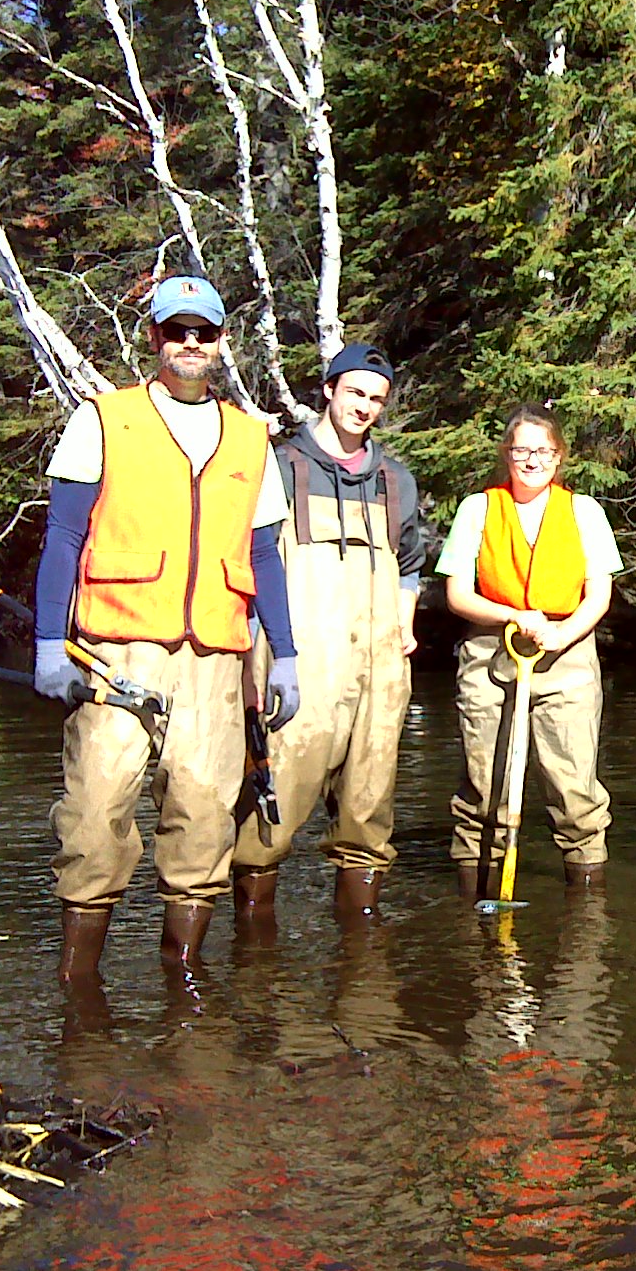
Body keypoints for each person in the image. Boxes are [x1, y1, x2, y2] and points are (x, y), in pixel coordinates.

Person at [32, 274, 300, 986]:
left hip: (217, 657)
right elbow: (61, 537)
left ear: (220, 342)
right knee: (93, 821)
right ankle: (78, 996)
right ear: (153, 338)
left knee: (205, 822)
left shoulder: (250, 438)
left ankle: (186, 993)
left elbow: (265, 554)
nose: (189, 343)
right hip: (116, 649)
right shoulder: (102, 418)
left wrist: (287, 659)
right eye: (175, 330)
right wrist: (47, 644)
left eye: (203, 332)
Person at [229, 343, 425, 925]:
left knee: (368, 821)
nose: (364, 407)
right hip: (299, 673)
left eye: (376, 400)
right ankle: (253, 963)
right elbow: (246, 564)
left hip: (380, 676)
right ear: (330, 390)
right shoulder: (278, 466)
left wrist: (405, 626)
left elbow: (410, 565)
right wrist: (251, 666)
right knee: (268, 824)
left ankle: (362, 972)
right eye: (356, 392)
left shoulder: (397, 481)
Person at [438, 404, 621, 899]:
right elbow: (458, 593)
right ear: (507, 455)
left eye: (543, 451)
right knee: (485, 786)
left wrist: (565, 633)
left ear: (559, 457)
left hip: (568, 654)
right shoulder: (478, 508)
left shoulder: (585, 512)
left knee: (574, 788)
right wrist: (512, 617)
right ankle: (477, 899)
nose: (532, 460)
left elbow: (599, 592)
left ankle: (586, 909)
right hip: (490, 653)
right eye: (522, 450)